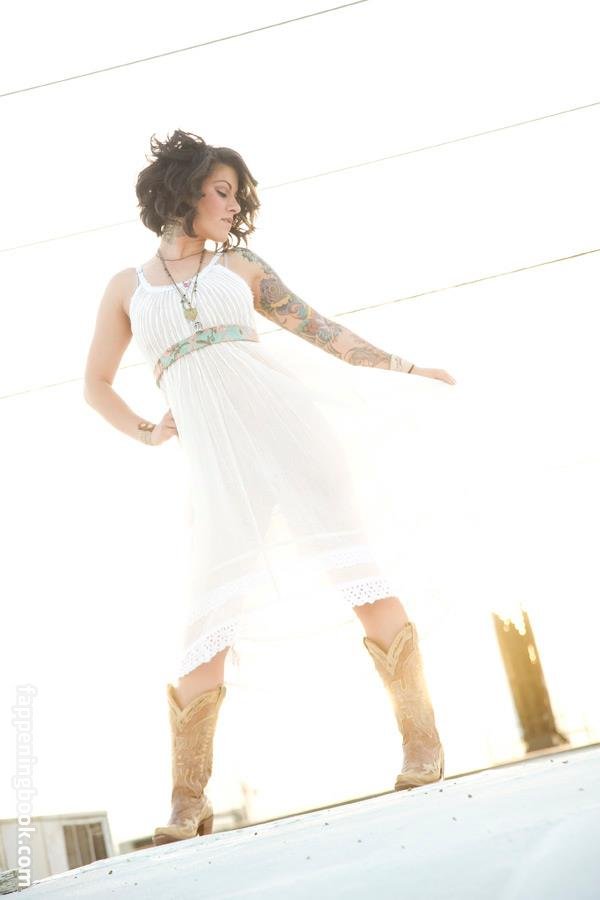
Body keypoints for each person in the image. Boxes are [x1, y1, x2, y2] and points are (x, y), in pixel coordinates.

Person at [83, 129, 456, 846]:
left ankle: (423, 745)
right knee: (208, 619)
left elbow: (324, 332)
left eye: (237, 195)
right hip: (220, 472)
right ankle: (186, 802)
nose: (233, 206)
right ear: (183, 190)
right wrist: (148, 431)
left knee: (359, 579)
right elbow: (95, 385)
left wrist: (406, 370)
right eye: (221, 191)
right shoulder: (126, 288)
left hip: (293, 436)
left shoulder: (241, 268)